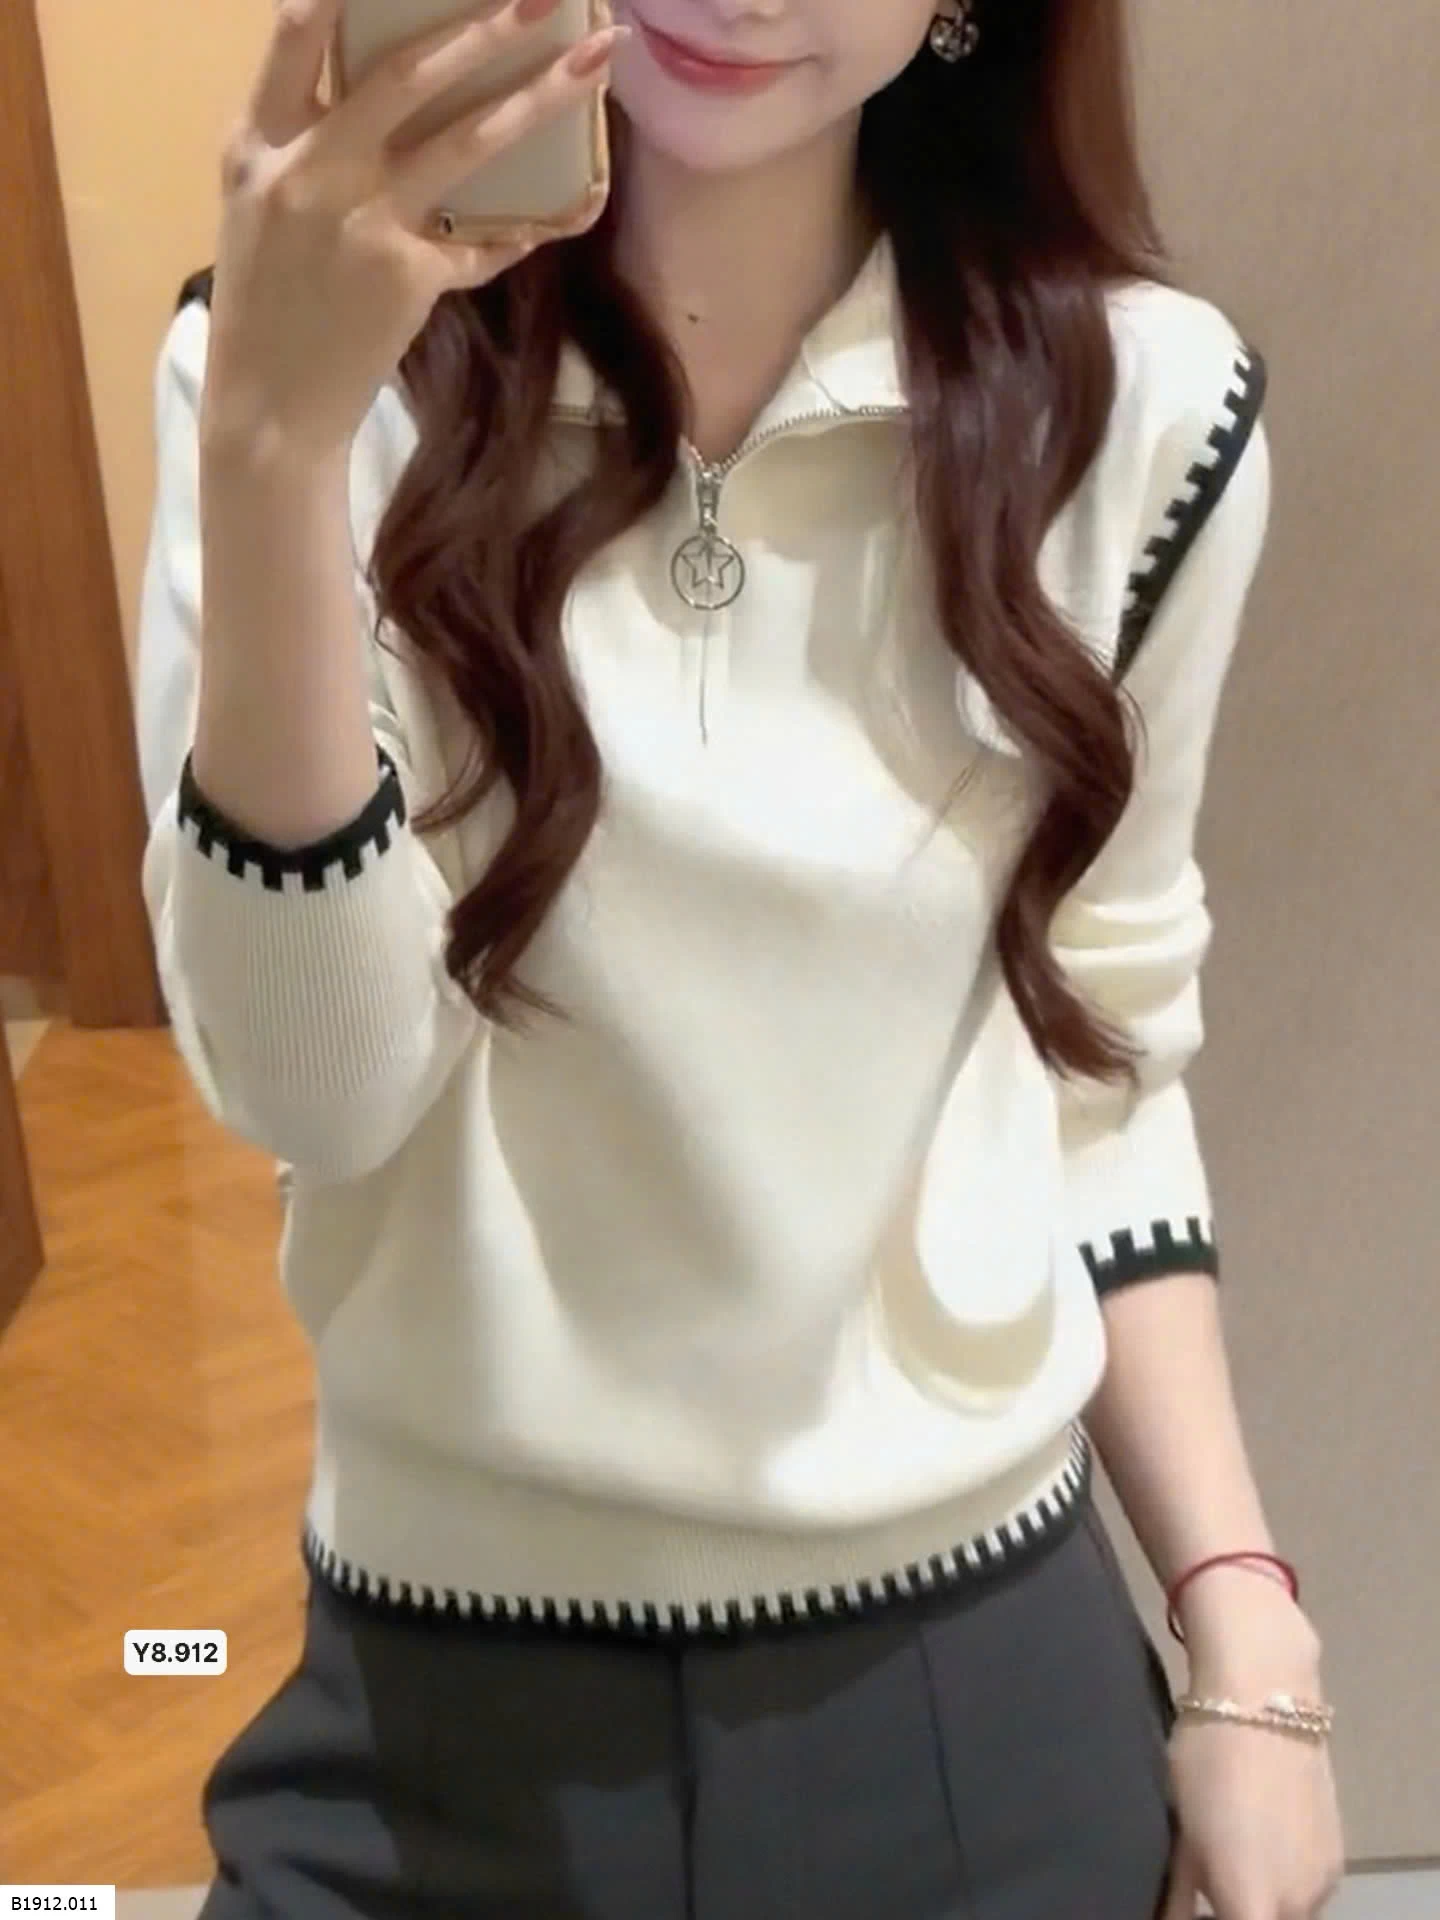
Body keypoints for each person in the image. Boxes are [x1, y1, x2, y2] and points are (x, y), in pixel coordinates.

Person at [134, 0, 1347, 1913]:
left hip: (970, 1686)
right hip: (438, 1697)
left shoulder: (1142, 412)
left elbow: (1098, 1071)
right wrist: (275, 444)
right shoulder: (294, 374)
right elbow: (317, 1093)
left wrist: (1243, 1618)